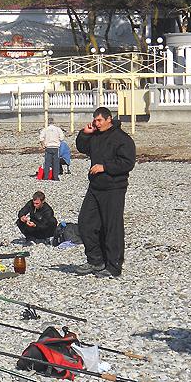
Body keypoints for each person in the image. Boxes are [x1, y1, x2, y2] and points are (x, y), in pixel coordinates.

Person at [74, 107, 136, 278]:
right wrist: (85, 133)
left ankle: (114, 266)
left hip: (114, 188)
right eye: (95, 120)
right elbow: (82, 147)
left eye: (100, 120)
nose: (96, 123)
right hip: (95, 187)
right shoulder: (95, 135)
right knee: (85, 223)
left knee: (112, 227)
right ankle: (95, 260)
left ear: (109, 119)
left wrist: (105, 167)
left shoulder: (122, 139)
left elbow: (128, 162)